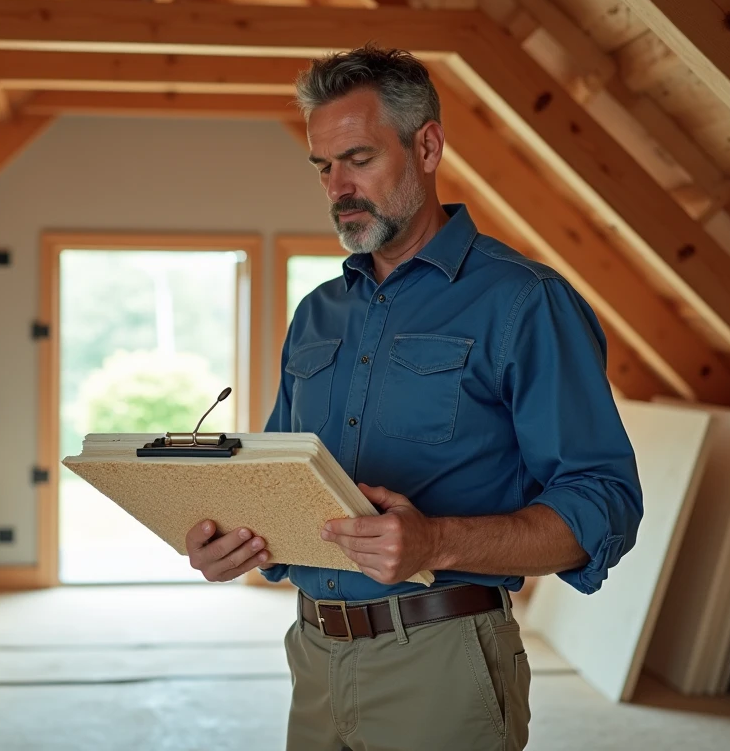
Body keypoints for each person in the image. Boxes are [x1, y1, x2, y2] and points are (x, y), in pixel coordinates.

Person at [184, 44, 643, 751]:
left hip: (442, 663)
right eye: (323, 166)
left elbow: (604, 501)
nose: (338, 186)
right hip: (312, 660)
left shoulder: (525, 303)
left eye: (359, 159)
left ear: (426, 145)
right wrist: (238, 541)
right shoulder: (317, 315)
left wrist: (435, 540)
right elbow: (286, 485)